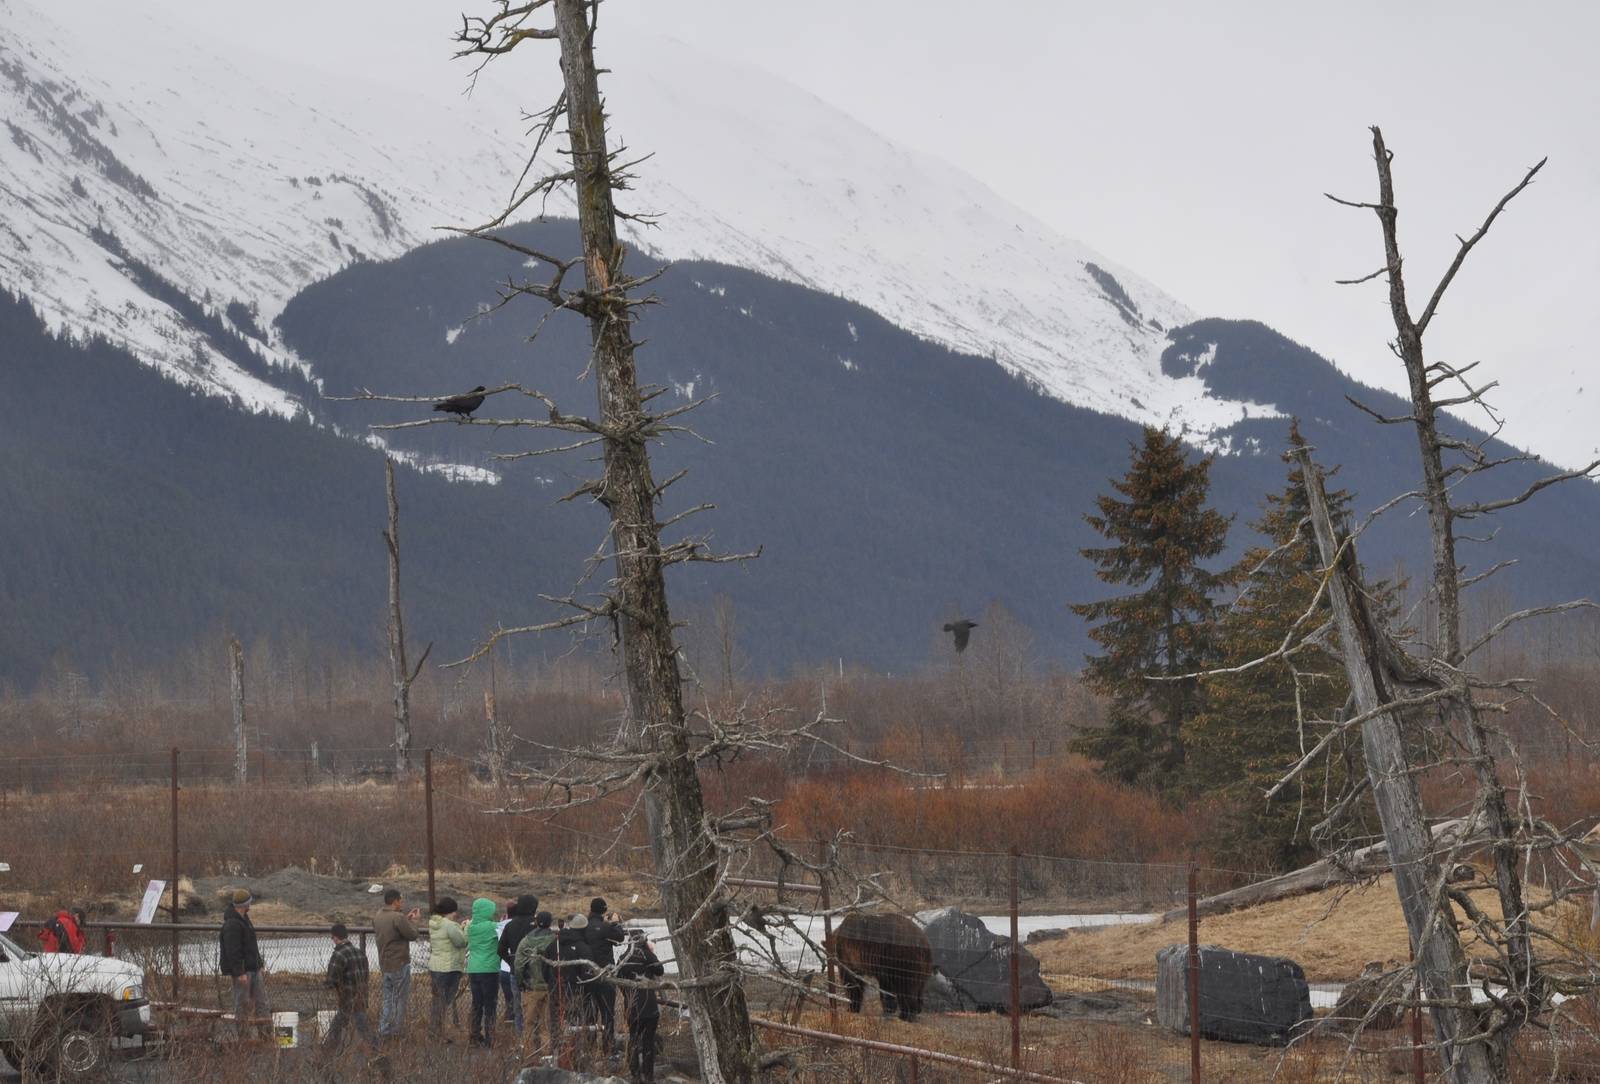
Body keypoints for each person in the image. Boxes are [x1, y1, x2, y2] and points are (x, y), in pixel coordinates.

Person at [615, 930, 665, 1084]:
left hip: (632, 1006)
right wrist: (651, 953)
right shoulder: (646, 954)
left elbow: (618, 979)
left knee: (633, 1038)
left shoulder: (624, 957)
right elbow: (660, 970)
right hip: (649, 1006)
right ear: (644, 940)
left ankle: (635, 1073)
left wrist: (627, 995)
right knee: (648, 1040)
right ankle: (648, 1075)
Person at [218, 889, 268, 1036]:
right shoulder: (232, 924)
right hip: (243, 972)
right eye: (249, 902)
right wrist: (239, 972)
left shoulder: (245, 919)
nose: (250, 904)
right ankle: (243, 1037)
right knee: (242, 1004)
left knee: (262, 1003)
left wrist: (258, 965)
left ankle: (265, 1035)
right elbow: (233, 951)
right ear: (245, 904)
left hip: (253, 968)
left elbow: (251, 946)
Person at [373, 888, 421, 1039]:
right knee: (399, 999)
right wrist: (414, 921)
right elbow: (412, 934)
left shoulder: (378, 916)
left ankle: (384, 1028)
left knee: (388, 999)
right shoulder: (398, 917)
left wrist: (404, 920)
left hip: (385, 964)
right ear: (395, 901)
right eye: (400, 900)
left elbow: (392, 930)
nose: (402, 903)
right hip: (399, 963)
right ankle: (394, 1032)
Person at [543, 912, 595, 1046]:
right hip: (576, 993)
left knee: (557, 1023)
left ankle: (556, 1048)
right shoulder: (584, 948)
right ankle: (574, 1051)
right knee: (575, 1025)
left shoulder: (554, 944)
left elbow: (545, 968)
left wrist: (551, 983)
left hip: (556, 990)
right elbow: (588, 975)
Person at [323, 923, 376, 1052]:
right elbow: (366, 976)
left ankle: (378, 1054)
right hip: (361, 998)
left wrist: (326, 985)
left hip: (348, 1000)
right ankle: (326, 1054)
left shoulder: (339, 954)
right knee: (353, 1026)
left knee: (340, 1027)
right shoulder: (360, 953)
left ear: (335, 938)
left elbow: (331, 979)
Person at [583, 897, 625, 1054]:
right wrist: (614, 923)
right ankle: (608, 1047)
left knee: (590, 1014)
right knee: (608, 1012)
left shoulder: (584, 926)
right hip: (605, 974)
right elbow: (619, 938)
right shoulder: (604, 927)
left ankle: (590, 1047)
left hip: (587, 975)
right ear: (604, 911)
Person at [513, 911, 557, 1051]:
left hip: (531, 987)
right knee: (546, 1024)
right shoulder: (555, 940)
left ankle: (529, 1055)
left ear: (536, 922)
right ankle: (546, 1055)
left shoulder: (526, 941)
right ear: (550, 922)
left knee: (529, 1024)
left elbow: (518, 965)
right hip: (550, 987)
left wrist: (520, 982)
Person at [496, 894, 538, 1035]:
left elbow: (501, 950)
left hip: (516, 971)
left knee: (517, 1004)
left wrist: (512, 962)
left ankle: (521, 1035)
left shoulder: (511, 925)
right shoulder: (537, 924)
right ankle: (535, 1034)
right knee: (537, 1004)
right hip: (535, 971)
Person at [427, 897, 468, 1039]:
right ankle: (438, 1032)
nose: (456, 914)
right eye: (454, 911)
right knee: (446, 1000)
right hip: (449, 967)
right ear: (451, 911)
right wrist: (466, 928)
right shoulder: (450, 925)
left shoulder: (433, 923)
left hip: (435, 966)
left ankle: (434, 1031)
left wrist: (459, 928)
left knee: (437, 1000)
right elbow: (461, 942)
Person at [464, 897, 501, 1047]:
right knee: (490, 1004)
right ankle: (490, 1037)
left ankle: (474, 1035)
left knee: (476, 1003)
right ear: (487, 911)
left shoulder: (470, 927)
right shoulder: (492, 927)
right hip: (489, 969)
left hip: (473, 968)